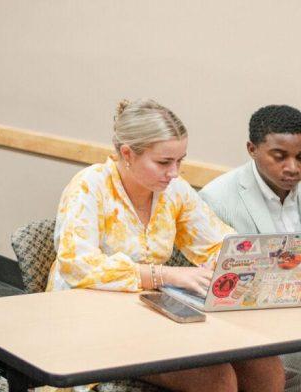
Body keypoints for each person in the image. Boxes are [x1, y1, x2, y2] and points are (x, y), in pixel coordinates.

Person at [50, 99, 283, 392]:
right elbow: (77, 265)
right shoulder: (89, 186)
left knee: (267, 369)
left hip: (152, 311)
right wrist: (163, 275)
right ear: (127, 154)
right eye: (163, 162)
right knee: (218, 380)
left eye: (180, 161)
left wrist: (247, 260)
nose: (174, 172)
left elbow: (216, 242)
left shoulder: (174, 191)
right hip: (91, 318)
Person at [202, 104, 301, 392]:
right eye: (279, 157)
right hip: (256, 333)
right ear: (252, 149)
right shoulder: (217, 199)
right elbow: (220, 292)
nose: (293, 168)